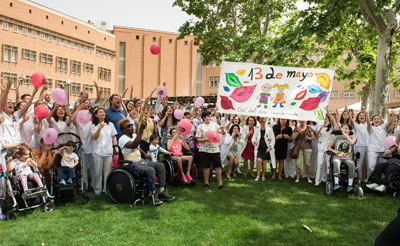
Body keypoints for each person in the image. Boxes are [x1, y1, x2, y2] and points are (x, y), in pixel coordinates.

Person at [118, 119, 175, 205]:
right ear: (123, 130)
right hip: (131, 163)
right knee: (150, 170)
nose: (131, 127)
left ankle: (162, 192)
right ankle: (151, 196)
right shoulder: (122, 139)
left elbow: (138, 147)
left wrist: (145, 154)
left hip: (140, 160)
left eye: (131, 125)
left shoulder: (133, 135)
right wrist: (141, 130)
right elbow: (134, 145)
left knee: (160, 166)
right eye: (128, 126)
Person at [91, 108, 118, 196]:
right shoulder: (93, 125)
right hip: (97, 151)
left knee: (108, 171)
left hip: (108, 151)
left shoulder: (110, 124)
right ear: (96, 115)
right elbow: (94, 137)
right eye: (100, 112)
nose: (102, 113)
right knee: (98, 172)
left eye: (103, 112)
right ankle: (97, 188)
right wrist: (100, 127)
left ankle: (106, 188)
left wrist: (116, 146)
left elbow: (113, 137)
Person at [196, 111, 225, 190]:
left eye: (210, 116)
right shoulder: (200, 127)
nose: (210, 118)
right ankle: (206, 183)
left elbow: (222, 133)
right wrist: (207, 139)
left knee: (218, 167)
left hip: (215, 149)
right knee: (206, 167)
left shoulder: (214, 125)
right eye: (208, 116)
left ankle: (220, 184)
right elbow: (198, 139)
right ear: (204, 118)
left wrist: (222, 130)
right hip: (204, 150)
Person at [327, 124, 357, 192]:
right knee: (336, 162)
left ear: (349, 130)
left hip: (347, 158)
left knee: (352, 164)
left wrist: (346, 136)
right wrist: (334, 150)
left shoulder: (353, 138)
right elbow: (328, 147)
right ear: (341, 130)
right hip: (337, 157)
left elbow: (352, 143)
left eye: (346, 128)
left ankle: (350, 185)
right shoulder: (336, 138)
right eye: (343, 128)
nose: (345, 130)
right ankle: (336, 184)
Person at [349, 109, 370, 180]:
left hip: (368, 146)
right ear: (358, 117)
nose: (362, 116)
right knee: (359, 163)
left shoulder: (368, 125)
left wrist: (367, 116)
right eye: (360, 115)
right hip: (359, 146)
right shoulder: (356, 124)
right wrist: (349, 114)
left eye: (363, 115)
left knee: (369, 164)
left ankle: (369, 179)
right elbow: (351, 121)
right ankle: (359, 179)